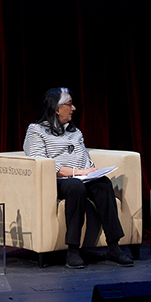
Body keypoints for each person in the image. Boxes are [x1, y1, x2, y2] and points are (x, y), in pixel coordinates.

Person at [23, 87, 133, 269]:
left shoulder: (74, 131)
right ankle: (73, 250)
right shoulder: (36, 131)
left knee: (104, 184)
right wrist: (77, 173)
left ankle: (114, 246)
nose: (73, 108)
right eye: (69, 104)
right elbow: (40, 163)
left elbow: (82, 157)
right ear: (56, 108)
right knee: (75, 187)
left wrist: (91, 170)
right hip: (54, 181)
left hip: (80, 177)